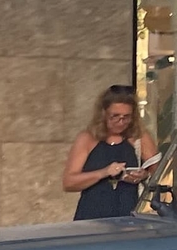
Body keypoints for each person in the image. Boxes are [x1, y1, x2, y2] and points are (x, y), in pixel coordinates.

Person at [63, 84, 157, 220]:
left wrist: (144, 175)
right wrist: (104, 172)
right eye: (115, 116)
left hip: (129, 215)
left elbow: (159, 173)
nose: (120, 122)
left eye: (126, 117)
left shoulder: (139, 137)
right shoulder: (88, 138)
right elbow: (69, 182)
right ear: (103, 114)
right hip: (92, 216)